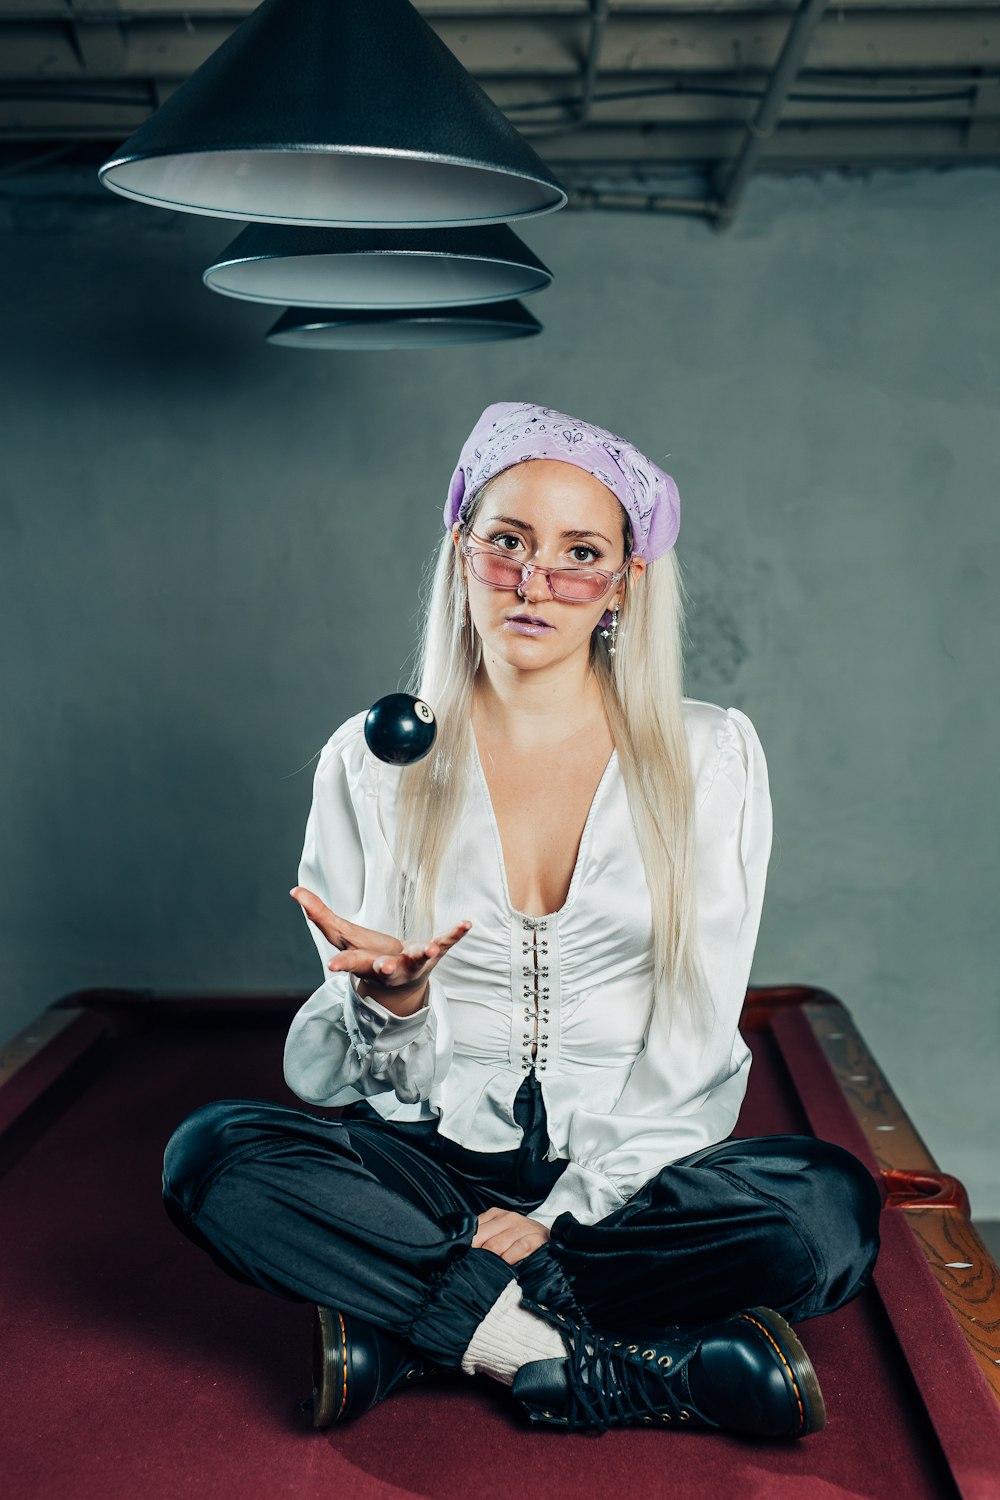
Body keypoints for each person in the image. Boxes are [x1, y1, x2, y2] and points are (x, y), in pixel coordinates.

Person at [162, 400, 881, 1438]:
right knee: (215, 1154)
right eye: (506, 542)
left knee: (823, 1210)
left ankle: (404, 1326)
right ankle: (566, 1361)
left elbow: (691, 1043)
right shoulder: (367, 761)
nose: (535, 581)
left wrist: (556, 1219)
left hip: (627, 1186)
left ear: (623, 586)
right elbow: (361, 1077)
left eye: (577, 552)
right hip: (425, 1173)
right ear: (462, 553)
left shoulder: (707, 755)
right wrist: (397, 1006)